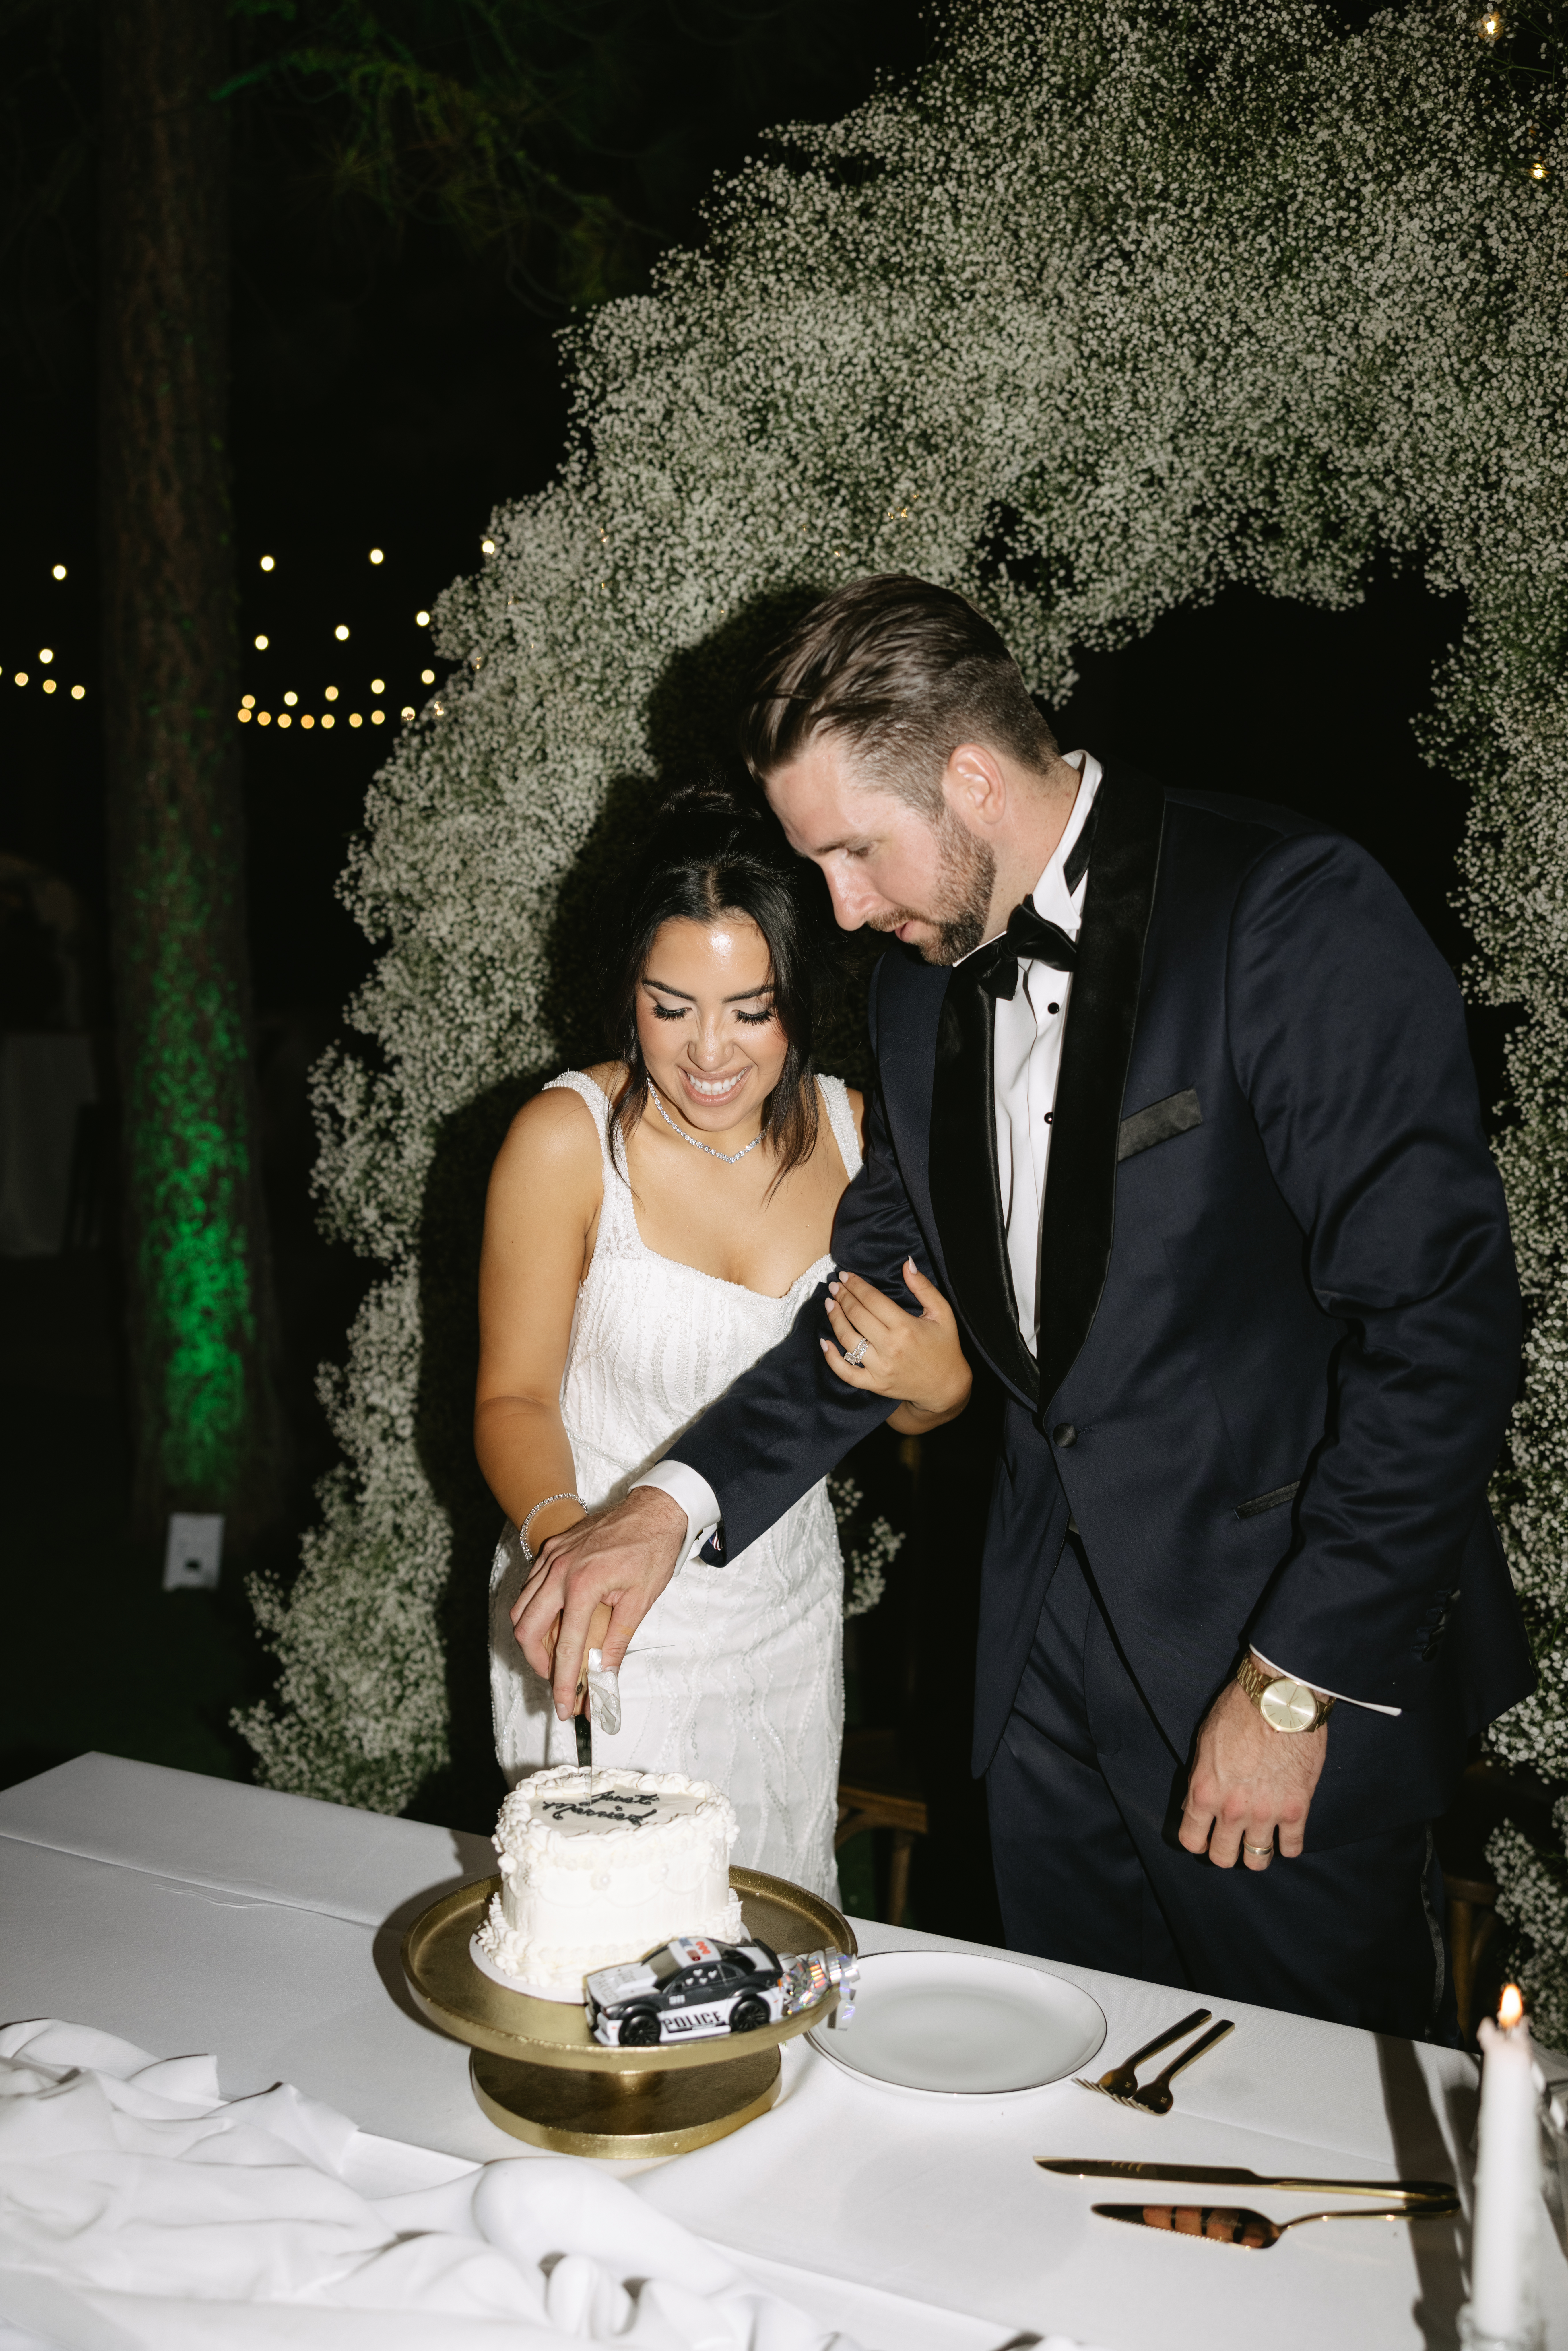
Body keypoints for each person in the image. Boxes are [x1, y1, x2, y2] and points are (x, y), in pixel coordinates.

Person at [514, 576, 1534, 2037]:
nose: (842, 907)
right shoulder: (918, 989)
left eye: (854, 851)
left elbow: (1439, 1328)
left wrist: (1293, 1683)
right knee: (1075, 2093)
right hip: (1040, 1694)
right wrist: (667, 1505)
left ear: (973, 780)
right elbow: (871, 1304)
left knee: (1307, 2115)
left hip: (1269, 1664)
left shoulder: (1281, 908)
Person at [477, 780, 970, 1903]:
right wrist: (573, 1550)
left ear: (803, 993)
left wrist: (940, 1392)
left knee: (763, 1926)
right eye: (671, 1006)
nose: (709, 1050)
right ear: (629, 991)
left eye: (752, 1010)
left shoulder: (865, 1143)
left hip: (778, 1624)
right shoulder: (564, 1140)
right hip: (587, 1613)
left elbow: (876, 1389)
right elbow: (512, 1398)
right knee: (593, 1933)